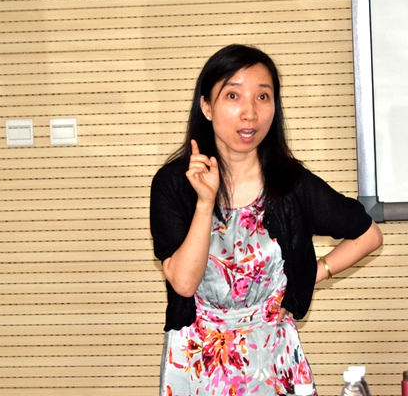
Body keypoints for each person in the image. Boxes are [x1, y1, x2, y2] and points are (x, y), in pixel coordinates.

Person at [150, 44, 383, 396]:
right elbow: (184, 283)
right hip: (197, 362)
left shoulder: (291, 183)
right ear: (207, 106)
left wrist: (308, 276)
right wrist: (205, 202)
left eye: (263, 97)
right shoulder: (173, 183)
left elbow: (369, 235)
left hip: (273, 357)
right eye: (233, 96)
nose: (250, 113)